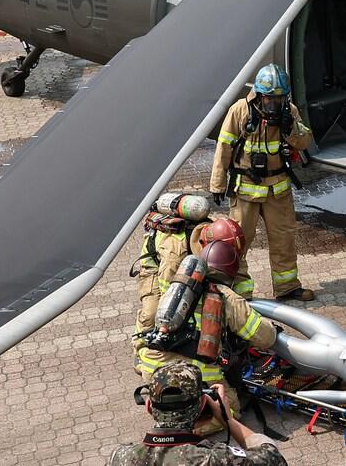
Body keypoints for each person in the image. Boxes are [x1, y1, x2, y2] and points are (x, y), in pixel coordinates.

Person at [135, 239, 278, 436]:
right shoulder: (225, 295)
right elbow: (265, 337)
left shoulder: (174, 287)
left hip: (153, 373)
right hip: (194, 376)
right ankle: (193, 430)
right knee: (232, 409)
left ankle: (164, 406)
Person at [209, 64, 314, 301]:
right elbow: (223, 146)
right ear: (259, 95)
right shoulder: (240, 110)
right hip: (245, 189)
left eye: (279, 99)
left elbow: (305, 140)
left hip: (278, 189)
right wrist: (217, 183)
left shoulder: (290, 111)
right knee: (237, 241)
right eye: (269, 100)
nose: (274, 105)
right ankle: (239, 290)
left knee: (284, 239)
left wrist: (291, 128)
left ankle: (287, 287)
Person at [109, 363, 287, 465]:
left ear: (149, 406)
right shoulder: (215, 458)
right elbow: (273, 457)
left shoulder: (120, 457)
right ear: (203, 405)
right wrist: (228, 420)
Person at [134, 204, 255, 355]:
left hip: (193, 262)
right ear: (206, 245)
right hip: (155, 269)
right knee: (151, 313)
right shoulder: (175, 252)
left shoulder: (226, 241)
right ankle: (141, 351)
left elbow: (240, 274)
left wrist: (244, 305)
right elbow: (170, 292)